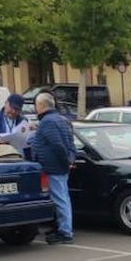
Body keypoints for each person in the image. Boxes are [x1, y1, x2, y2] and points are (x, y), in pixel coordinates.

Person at [30, 92, 77, 244]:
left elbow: (57, 144)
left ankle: (65, 232)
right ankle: (62, 228)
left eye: (36, 105)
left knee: (60, 199)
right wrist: (70, 159)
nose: (35, 108)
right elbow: (70, 143)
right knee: (63, 198)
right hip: (60, 165)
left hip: (54, 167)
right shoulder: (62, 120)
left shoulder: (47, 122)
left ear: (41, 106)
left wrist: (65, 161)